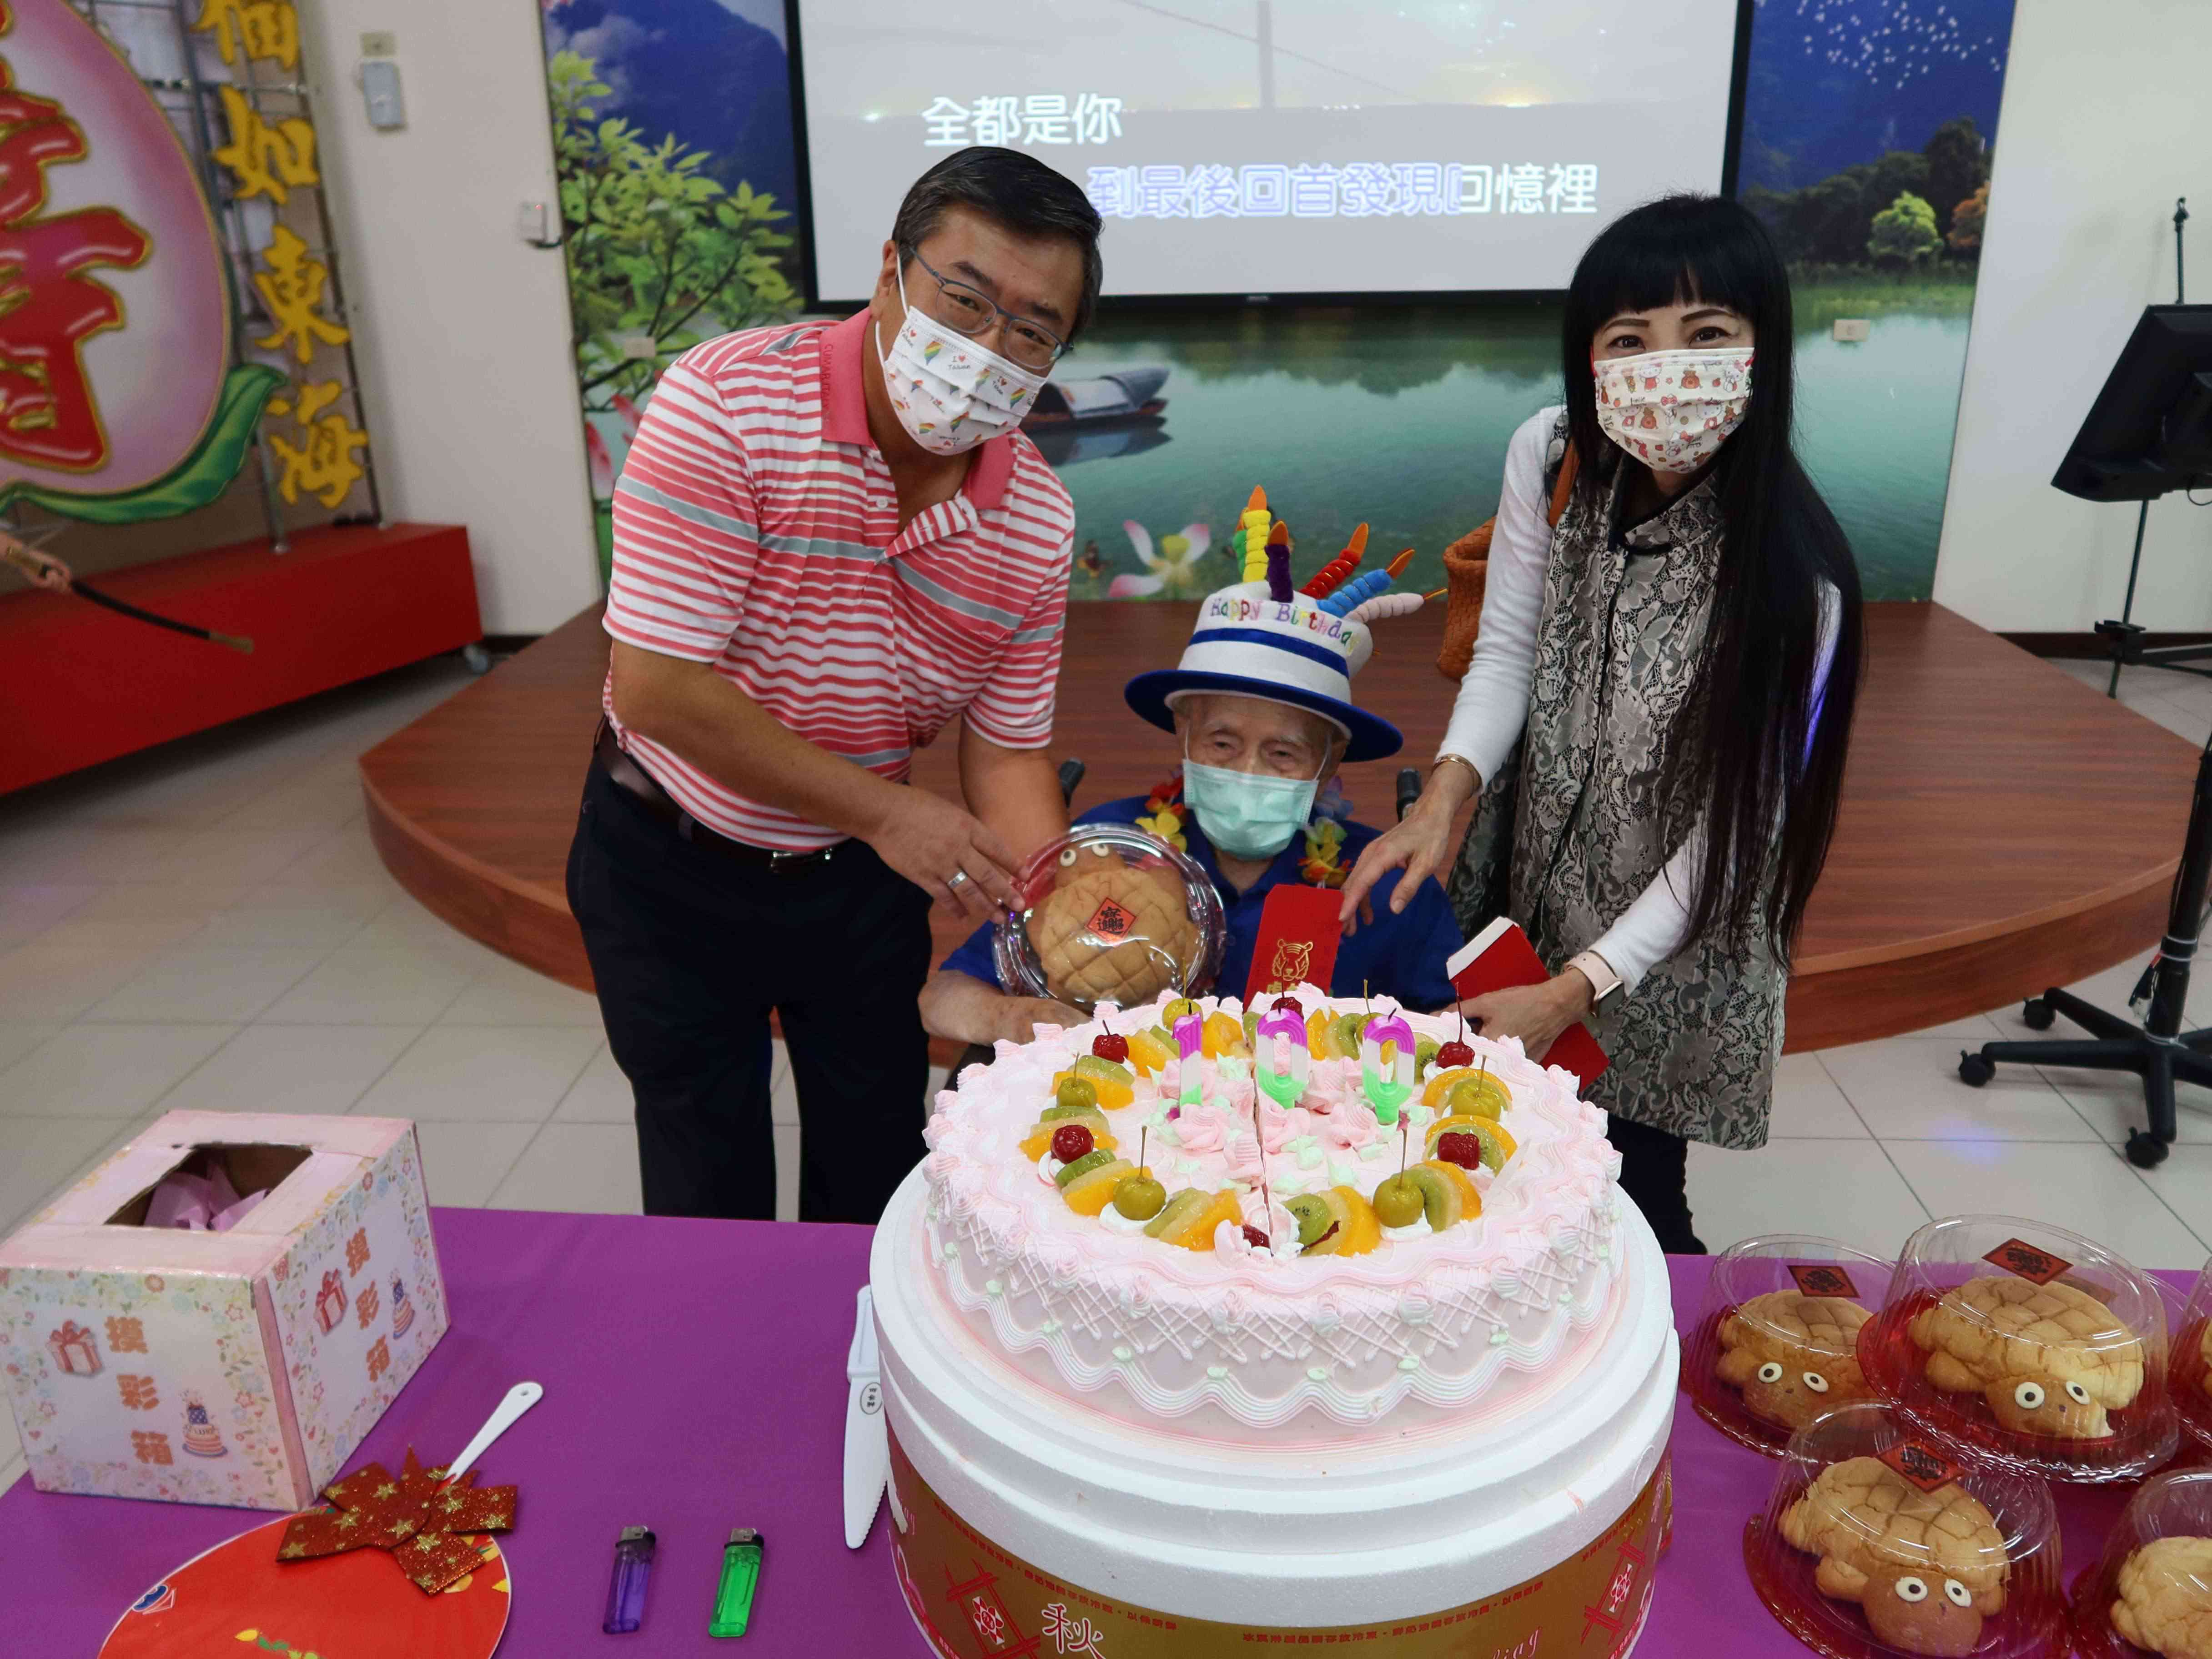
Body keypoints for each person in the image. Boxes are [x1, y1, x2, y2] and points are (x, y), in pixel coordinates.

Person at [567, 148, 1101, 1224]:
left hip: (855, 882)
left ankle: (854, 1385)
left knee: (872, 1180)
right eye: (963, 298)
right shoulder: (727, 404)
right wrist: (883, 809)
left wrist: (1060, 940)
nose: (987, 347)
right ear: (889, 274)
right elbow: (660, 686)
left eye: (1031, 329)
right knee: (702, 1174)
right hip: (669, 856)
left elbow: (1003, 754)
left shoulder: (1034, 520)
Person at [1339, 195, 1863, 1254]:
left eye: (1706, 334)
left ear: (1763, 351)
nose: (1664, 368)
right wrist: (1446, 794)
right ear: (1586, 358)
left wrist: (1575, 988)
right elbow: (1507, 652)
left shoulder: (1793, 587)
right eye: (1627, 339)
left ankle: (1655, 1392)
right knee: (1502, 1144)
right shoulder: (1549, 458)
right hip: (1532, 877)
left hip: (1666, 938)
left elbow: (1730, 837)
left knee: (1630, 1188)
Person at [922, 578, 1464, 1047]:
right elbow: (944, 997)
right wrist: (1019, 1018)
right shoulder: (1105, 849)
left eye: (1282, 754)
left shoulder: (1384, 882)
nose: (1247, 770)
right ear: (1183, 732)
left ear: (1328, 762)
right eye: (1222, 744)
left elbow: (1460, 1027)